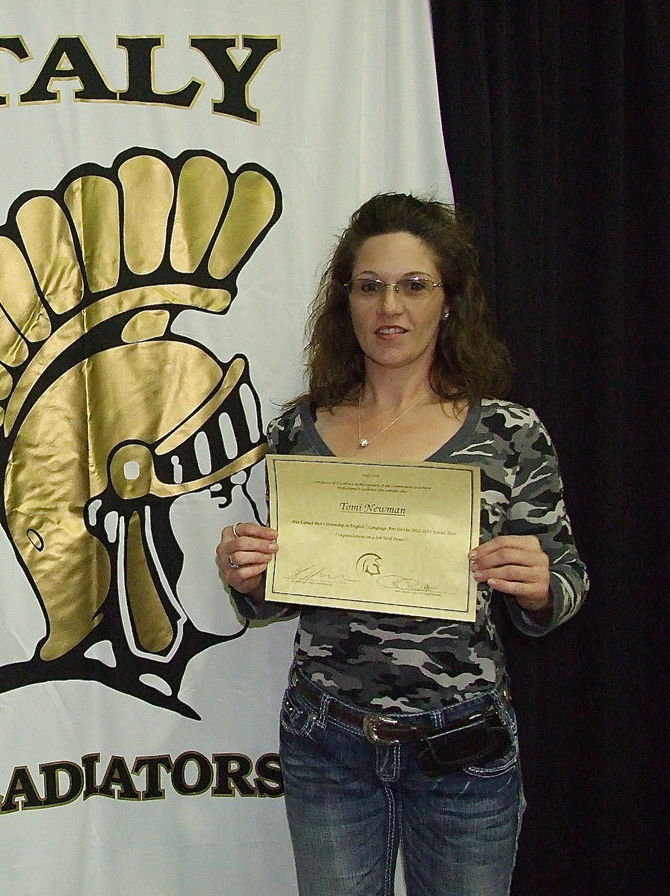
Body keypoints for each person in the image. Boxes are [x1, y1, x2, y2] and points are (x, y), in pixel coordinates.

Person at [216, 193, 586, 896]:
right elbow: (274, 601)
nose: (391, 307)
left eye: (414, 286)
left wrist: (540, 587)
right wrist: (248, 578)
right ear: (346, 302)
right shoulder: (299, 431)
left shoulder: (509, 432)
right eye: (371, 286)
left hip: (464, 752)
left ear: (448, 302)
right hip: (327, 745)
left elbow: (564, 586)